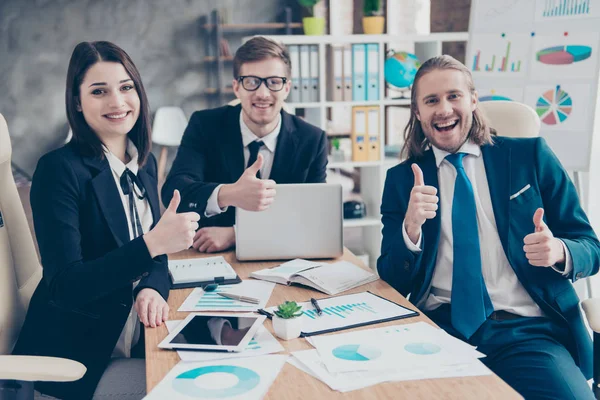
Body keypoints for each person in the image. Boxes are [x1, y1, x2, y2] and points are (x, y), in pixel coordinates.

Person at [377, 55, 599, 399]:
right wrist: (411, 229)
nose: (444, 109)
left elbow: (590, 246)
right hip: (440, 331)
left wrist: (559, 251)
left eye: (454, 96)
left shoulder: (530, 156)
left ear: (473, 101)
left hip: (527, 330)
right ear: (417, 112)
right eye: (431, 100)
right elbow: (391, 280)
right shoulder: (401, 180)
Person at [12, 41, 199, 400]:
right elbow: (67, 285)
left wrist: (151, 287)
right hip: (80, 360)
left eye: (126, 87)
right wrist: (154, 244)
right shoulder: (59, 170)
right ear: (78, 103)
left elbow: (157, 261)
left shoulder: (142, 168)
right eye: (99, 91)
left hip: (135, 339)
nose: (117, 102)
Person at [161, 36, 328, 253]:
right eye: (251, 81)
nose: (262, 93)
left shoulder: (312, 140)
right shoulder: (205, 125)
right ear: (236, 87)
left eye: (274, 82)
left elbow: (315, 219)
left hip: (283, 255)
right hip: (210, 256)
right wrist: (229, 194)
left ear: (287, 88)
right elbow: (174, 191)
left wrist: (237, 233)